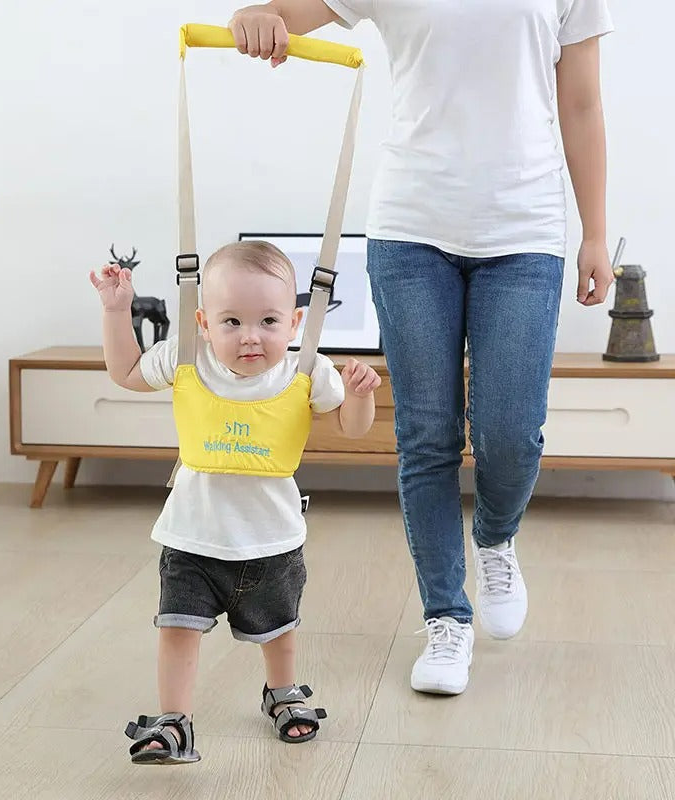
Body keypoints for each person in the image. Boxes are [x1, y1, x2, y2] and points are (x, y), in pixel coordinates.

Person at [229, 0, 614, 695]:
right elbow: (283, 14)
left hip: (524, 231)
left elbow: (582, 103)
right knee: (427, 434)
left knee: (510, 433)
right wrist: (256, 19)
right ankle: (446, 618)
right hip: (411, 230)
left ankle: (495, 538)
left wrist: (594, 231)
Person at [90, 240, 381, 763]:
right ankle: (175, 722)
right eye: (231, 322)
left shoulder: (307, 370)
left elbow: (353, 429)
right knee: (177, 630)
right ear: (203, 322)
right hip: (191, 538)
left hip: (271, 540)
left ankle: (283, 693)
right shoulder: (187, 360)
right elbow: (126, 373)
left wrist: (361, 395)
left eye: (268, 321)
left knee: (280, 630)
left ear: (294, 323)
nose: (251, 336)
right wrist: (116, 311)